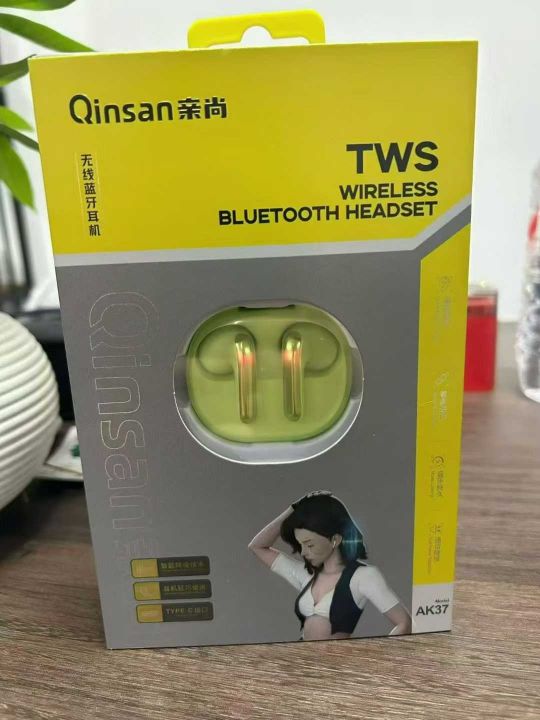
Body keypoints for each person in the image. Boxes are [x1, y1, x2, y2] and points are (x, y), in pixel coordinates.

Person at [248, 491, 411, 641]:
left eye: (309, 545)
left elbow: (404, 623)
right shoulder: (306, 575)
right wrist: (295, 508)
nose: (303, 552)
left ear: (335, 539)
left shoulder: (363, 576)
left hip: (337, 661)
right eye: (300, 544)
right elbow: (257, 547)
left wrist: (372, 658)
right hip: (302, 658)